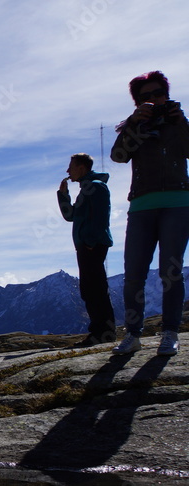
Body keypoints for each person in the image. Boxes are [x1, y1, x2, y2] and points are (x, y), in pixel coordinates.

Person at [111, 70, 189, 356]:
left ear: (167, 94)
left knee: (171, 272)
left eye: (158, 94)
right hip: (142, 205)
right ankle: (133, 334)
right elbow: (119, 156)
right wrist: (133, 124)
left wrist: (179, 119)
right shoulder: (136, 126)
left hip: (178, 202)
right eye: (146, 98)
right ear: (137, 103)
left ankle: (170, 333)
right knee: (133, 274)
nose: (154, 100)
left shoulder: (177, 122)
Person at [57, 153, 115, 346]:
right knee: (89, 288)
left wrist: (90, 240)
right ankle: (99, 332)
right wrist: (64, 195)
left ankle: (103, 333)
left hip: (92, 244)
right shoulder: (86, 189)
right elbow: (71, 216)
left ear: (81, 168)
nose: (68, 171)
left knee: (95, 288)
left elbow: (101, 215)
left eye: (71, 166)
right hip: (87, 244)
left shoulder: (96, 187)